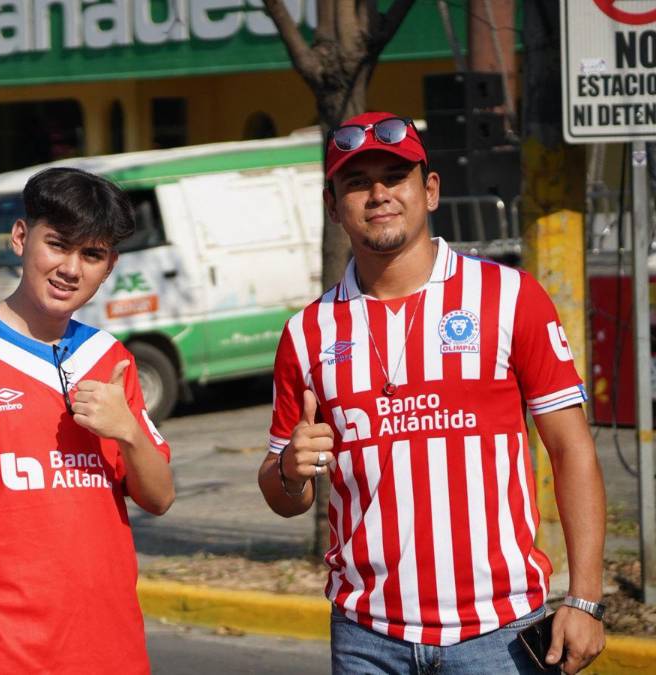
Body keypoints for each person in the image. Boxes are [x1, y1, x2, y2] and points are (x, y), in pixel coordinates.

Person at [258, 112, 607, 674]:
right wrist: (291, 472)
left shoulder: (508, 296)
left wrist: (585, 599)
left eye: (395, 176)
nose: (378, 194)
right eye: (356, 181)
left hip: (499, 632)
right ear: (332, 206)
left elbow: (572, 450)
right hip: (365, 636)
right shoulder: (308, 332)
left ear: (431, 189)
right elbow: (282, 493)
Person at [0, 167, 175, 674]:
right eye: (57, 245)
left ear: (110, 266)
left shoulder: (110, 357)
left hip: (113, 652)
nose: (70, 269)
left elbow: (159, 496)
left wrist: (127, 430)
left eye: (91, 254)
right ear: (21, 237)